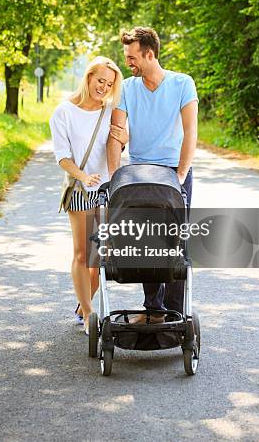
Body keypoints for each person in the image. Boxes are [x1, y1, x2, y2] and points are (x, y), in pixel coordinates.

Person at [107, 27, 198, 323]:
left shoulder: (182, 84)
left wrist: (181, 175)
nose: (128, 63)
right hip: (139, 174)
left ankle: (175, 314)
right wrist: (114, 179)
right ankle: (154, 311)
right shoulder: (128, 88)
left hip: (173, 172)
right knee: (146, 241)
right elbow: (115, 136)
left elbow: (190, 133)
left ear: (149, 54)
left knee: (175, 242)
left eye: (132, 58)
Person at [50, 56, 128, 334]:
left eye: (109, 84)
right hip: (81, 190)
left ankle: (84, 303)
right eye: (100, 81)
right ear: (88, 77)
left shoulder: (110, 111)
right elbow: (62, 157)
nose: (104, 87)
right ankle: (88, 313)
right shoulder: (63, 112)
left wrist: (125, 138)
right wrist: (83, 176)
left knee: (102, 256)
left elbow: (121, 141)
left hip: (107, 190)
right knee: (83, 253)